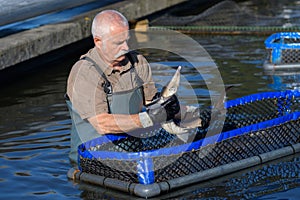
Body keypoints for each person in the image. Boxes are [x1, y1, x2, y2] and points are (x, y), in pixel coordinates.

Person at [66, 10, 180, 165]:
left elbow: (152, 103)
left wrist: (170, 108)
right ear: (98, 41)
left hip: (133, 156)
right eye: (118, 43)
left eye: (127, 40)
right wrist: (149, 119)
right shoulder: (85, 72)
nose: (125, 47)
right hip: (92, 163)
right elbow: (102, 123)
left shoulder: (137, 62)